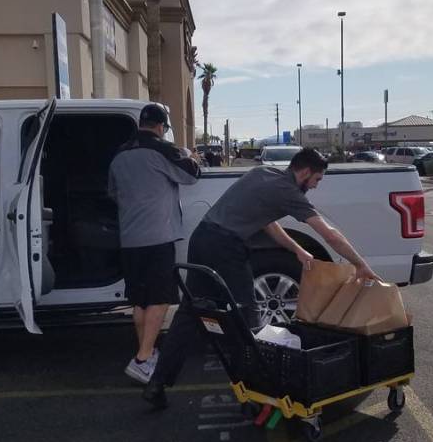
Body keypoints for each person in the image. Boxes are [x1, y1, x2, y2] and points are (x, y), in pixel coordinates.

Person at [143, 147, 380, 409]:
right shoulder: (288, 191)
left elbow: (268, 223)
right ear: (304, 172)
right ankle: (259, 390)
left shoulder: (262, 173)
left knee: (190, 312)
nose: (314, 186)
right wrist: (361, 264)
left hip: (203, 238)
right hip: (226, 247)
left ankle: (158, 383)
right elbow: (330, 234)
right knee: (247, 315)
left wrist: (297, 250)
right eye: (316, 180)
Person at [109, 103, 200, 384]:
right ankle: (142, 359)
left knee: (140, 301)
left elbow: (112, 192)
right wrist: (188, 154)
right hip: (158, 237)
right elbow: (192, 175)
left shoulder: (119, 154)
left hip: (130, 238)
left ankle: (146, 355)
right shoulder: (162, 149)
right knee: (160, 300)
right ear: (161, 127)